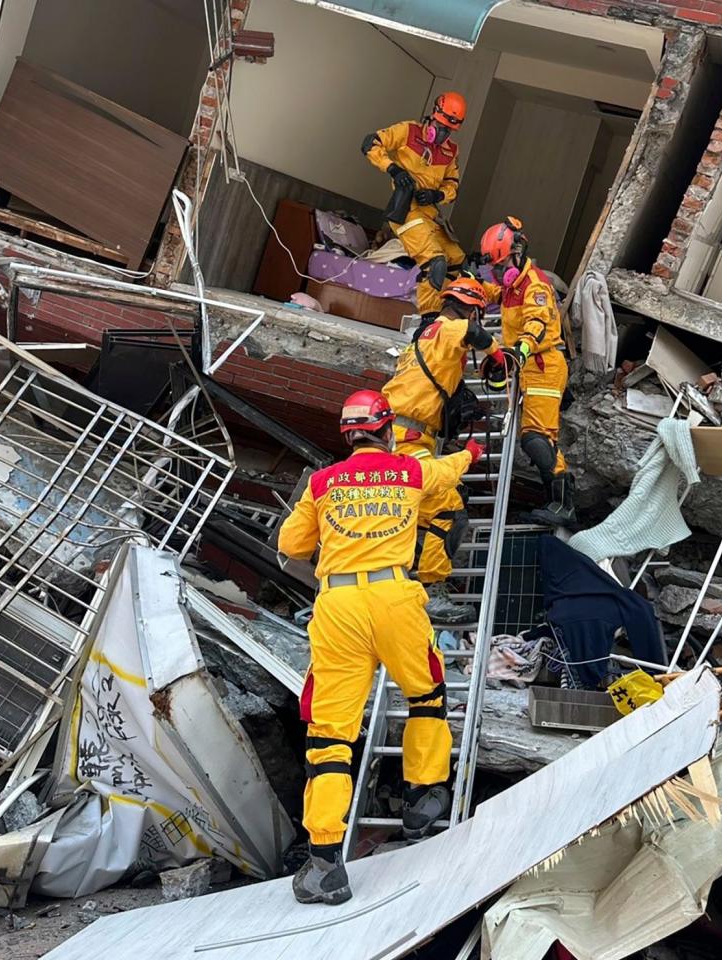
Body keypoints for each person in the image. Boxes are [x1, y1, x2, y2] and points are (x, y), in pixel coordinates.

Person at [277, 389, 484, 905]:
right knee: (427, 695)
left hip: (339, 606)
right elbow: (447, 471)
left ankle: (324, 862)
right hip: (396, 597)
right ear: (387, 430)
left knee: (329, 734)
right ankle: (424, 797)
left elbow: (290, 547)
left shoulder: (322, 483)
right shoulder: (409, 472)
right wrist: (474, 453)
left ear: (348, 436)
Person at [383, 277, 507, 624]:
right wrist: (497, 356)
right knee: (447, 507)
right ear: (471, 309)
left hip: (400, 434)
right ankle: (431, 591)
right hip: (407, 439)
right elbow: (474, 335)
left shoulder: (425, 336)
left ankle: (406, 582)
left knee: (418, 512)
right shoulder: (449, 327)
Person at [478, 216, 576, 526]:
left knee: (537, 439)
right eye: (494, 267)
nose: (498, 272)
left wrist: (518, 351)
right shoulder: (511, 285)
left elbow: (537, 322)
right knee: (538, 438)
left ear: (518, 253)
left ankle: (563, 505)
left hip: (543, 364)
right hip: (530, 368)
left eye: (501, 264)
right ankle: (557, 502)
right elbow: (493, 294)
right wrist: (467, 285)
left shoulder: (535, 286)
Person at [362, 91, 467, 322]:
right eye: (440, 127)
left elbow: (453, 185)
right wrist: (393, 169)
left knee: (457, 259)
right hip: (406, 212)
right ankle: (428, 320)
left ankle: (444, 315)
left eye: (448, 130)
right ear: (433, 116)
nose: (442, 134)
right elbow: (370, 143)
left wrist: (437, 194)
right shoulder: (408, 131)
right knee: (435, 262)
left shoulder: (451, 152)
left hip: (430, 214)